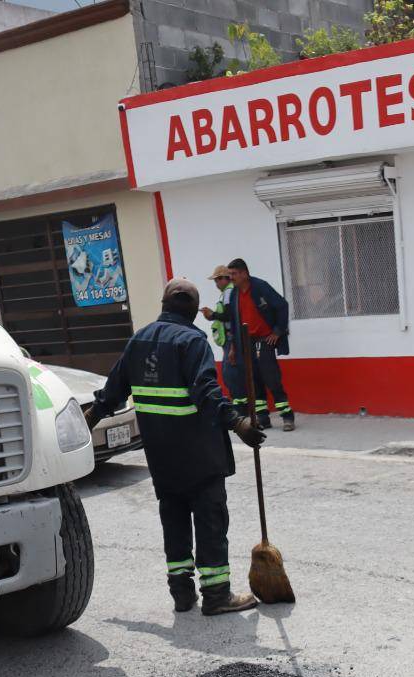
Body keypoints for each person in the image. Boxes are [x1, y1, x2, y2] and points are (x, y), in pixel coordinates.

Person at [84, 276, 263, 616]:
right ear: (195, 312)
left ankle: (182, 594)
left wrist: (89, 419)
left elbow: (113, 391)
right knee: (210, 521)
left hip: (162, 456)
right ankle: (216, 594)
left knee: (175, 520)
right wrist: (239, 424)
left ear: (163, 306)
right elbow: (207, 392)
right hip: (200, 455)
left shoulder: (139, 340)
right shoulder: (192, 342)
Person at [220, 257, 295, 433]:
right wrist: (232, 347)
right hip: (245, 343)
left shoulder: (260, 287)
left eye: (234, 274)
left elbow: (282, 305)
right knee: (253, 380)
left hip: (264, 340)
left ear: (244, 273)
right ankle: (263, 418)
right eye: (229, 274)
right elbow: (233, 321)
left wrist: (277, 331)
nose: (231, 278)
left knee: (271, 377)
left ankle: (287, 416)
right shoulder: (234, 294)